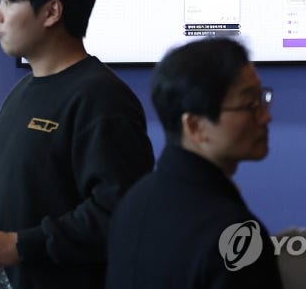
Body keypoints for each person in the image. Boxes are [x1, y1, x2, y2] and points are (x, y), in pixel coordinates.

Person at [0, 0, 155, 288]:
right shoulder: (23, 90)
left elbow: (120, 211)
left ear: (51, 12)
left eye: (9, 2)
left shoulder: (102, 98)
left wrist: (24, 244)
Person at [106, 38, 282, 289]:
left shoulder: (134, 202)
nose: (266, 116)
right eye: (250, 104)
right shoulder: (236, 236)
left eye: (262, 98)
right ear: (195, 126)